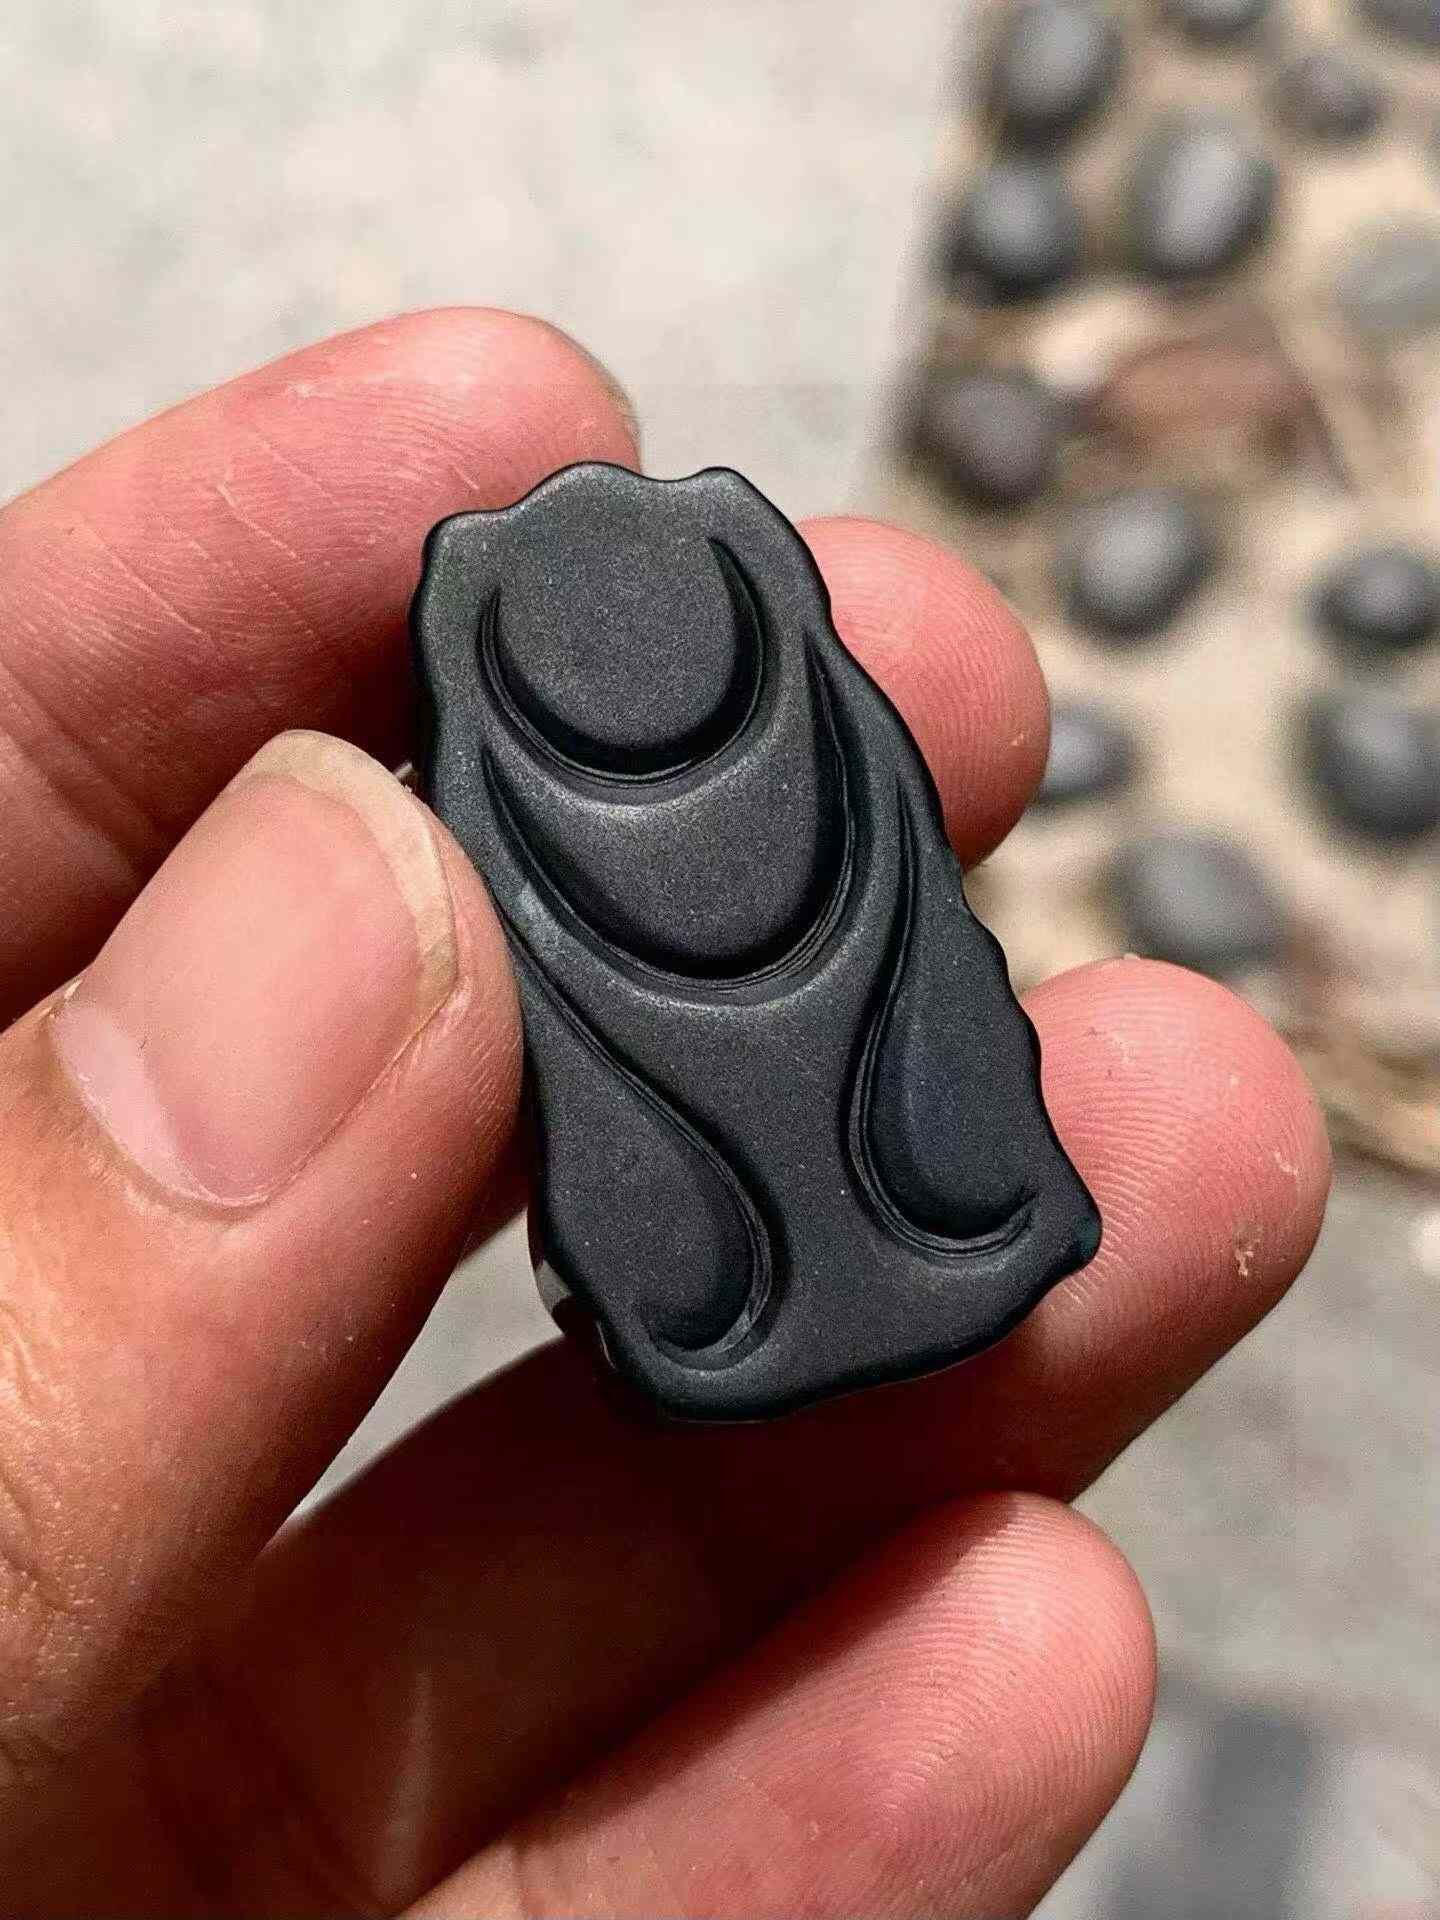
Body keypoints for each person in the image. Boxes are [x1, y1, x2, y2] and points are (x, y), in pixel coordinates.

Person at [0, 307, 1329, 1918]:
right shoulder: (653, 626)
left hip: (858, 1198)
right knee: (740, 1097)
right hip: (766, 1240)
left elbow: (874, 811)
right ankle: (840, 1249)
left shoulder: (653, 645)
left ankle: (863, 1241)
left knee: (851, 1043)